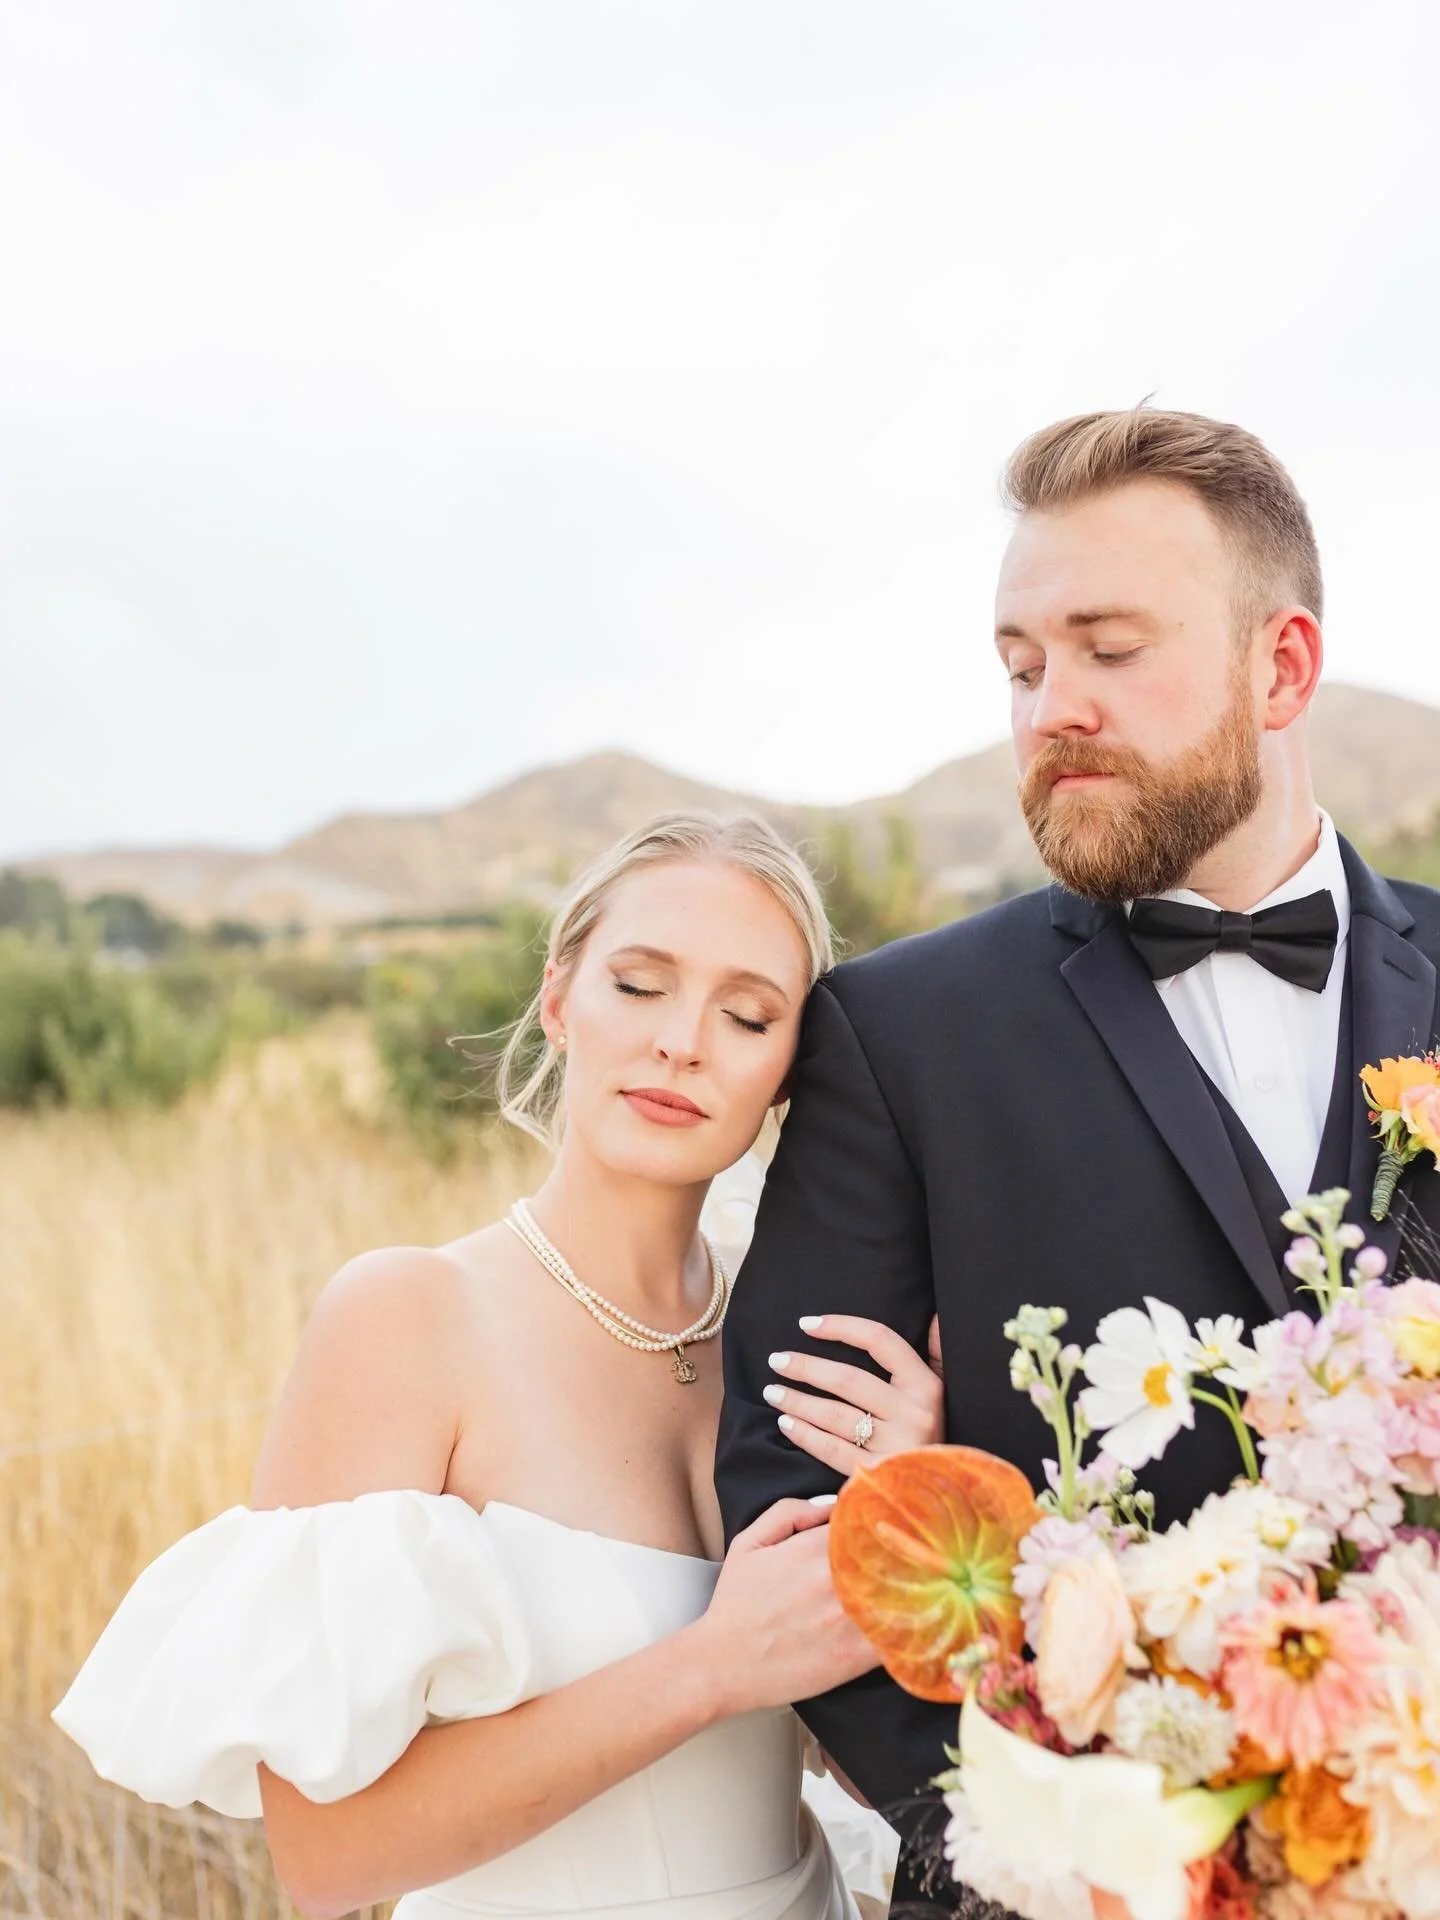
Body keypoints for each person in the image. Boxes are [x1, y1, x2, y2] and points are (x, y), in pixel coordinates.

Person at [716, 407, 1440, 1901]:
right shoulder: (899, 1035)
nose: (1053, 708)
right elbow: (800, 1517)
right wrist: (1061, 1838)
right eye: (1023, 665)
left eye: (1110, 650)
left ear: (1282, 667)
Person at [53, 813, 942, 1920]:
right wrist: (711, 1666)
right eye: (640, 985)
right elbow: (327, 1858)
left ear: (791, 1070)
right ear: (558, 1000)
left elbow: (879, 1776)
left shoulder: (800, 1347)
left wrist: (915, 1513)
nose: (683, 1042)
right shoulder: (408, 1318)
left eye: (748, 1015)